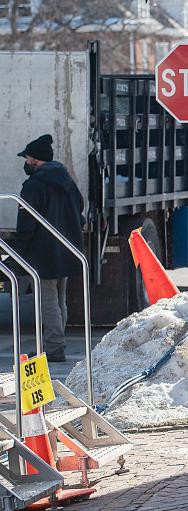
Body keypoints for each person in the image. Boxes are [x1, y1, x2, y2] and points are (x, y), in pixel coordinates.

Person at [12, 134, 85, 362]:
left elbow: (26, 226)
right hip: (67, 249)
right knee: (59, 300)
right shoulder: (66, 180)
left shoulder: (34, 186)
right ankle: (55, 343)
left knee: (47, 302)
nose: (26, 162)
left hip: (44, 253)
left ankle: (53, 348)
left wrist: (14, 254)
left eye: (27, 158)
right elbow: (80, 209)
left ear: (34, 159)